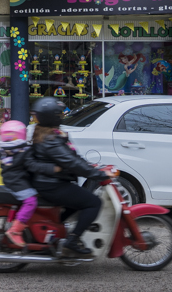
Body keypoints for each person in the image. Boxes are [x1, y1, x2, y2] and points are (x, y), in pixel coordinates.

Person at [25, 97, 108, 257]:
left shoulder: (45, 132)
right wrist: (97, 174)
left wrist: (91, 167)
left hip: (50, 183)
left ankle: (55, 236)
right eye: (60, 113)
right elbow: (71, 162)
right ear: (53, 116)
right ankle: (72, 240)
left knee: (79, 201)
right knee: (93, 203)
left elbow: (72, 157)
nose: (62, 116)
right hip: (53, 185)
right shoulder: (51, 138)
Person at [0, 120, 56, 248]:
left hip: (9, 180)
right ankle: (16, 229)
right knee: (31, 201)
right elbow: (32, 165)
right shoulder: (22, 151)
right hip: (18, 182)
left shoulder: (3, 150)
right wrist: (51, 168)